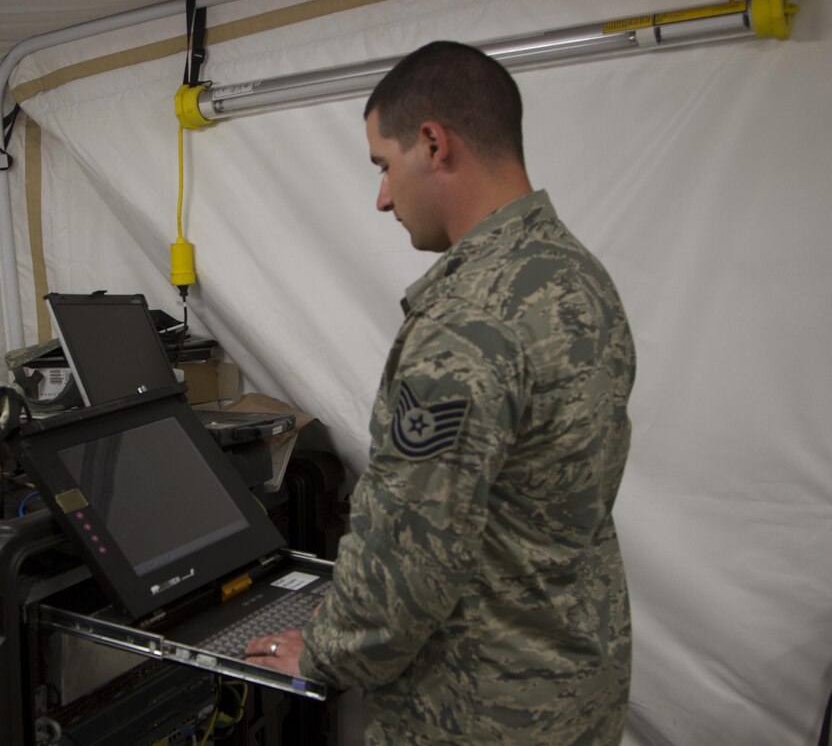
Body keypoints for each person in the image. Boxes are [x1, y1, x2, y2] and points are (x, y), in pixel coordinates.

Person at [245, 41, 636, 745]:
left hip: (476, 711)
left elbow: (411, 551)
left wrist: (329, 649)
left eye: (384, 166)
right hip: (576, 686)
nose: (383, 197)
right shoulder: (578, 277)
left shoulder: (469, 319)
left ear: (433, 143)